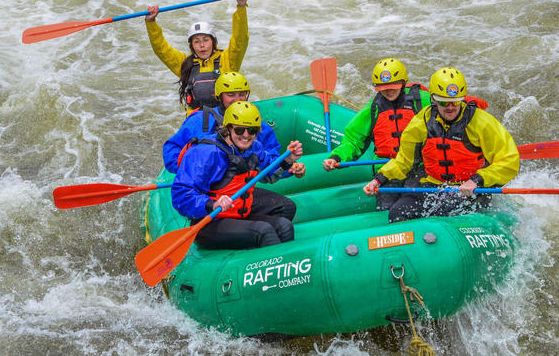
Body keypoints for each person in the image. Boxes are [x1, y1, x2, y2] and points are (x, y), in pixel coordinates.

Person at [362, 67, 520, 223]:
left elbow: (509, 161)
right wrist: (378, 179)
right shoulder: (420, 122)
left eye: (455, 101)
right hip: (432, 185)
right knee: (397, 213)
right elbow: (405, 161)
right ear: (434, 100)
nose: (450, 107)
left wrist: (477, 180)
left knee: (443, 212)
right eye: (444, 103)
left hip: (471, 189)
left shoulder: (482, 122)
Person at [172, 102, 304, 250]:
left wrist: (287, 161)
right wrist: (212, 204)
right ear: (227, 129)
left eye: (252, 131)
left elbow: (269, 176)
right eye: (240, 130)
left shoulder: (254, 147)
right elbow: (181, 196)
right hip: (209, 221)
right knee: (263, 231)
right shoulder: (206, 153)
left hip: (238, 213)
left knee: (285, 227)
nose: (246, 136)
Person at [321, 58, 431, 210]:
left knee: (414, 204)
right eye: (384, 87)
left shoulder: (421, 101)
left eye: (394, 86)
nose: (389, 91)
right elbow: (353, 140)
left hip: (419, 168)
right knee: (387, 208)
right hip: (385, 172)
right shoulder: (372, 110)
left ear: (403, 83)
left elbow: (448, 112)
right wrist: (335, 157)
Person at [145, 0, 249, 110]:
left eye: (205, 40)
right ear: (192, 46)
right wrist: (151, 22)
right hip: (196, 120)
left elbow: (240, 38)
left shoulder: (228, 59)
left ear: (213, 42)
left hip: (226, 118)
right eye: (196, 41)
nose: (202, 45)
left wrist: (241, 7)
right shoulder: (185, 64)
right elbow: (161, 49)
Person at [162, 71, 282, 175]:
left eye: (242, 94)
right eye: (231, 95)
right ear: (219, 96)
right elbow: (172, 149)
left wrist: (289, 166)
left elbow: (272, 160)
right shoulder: (200, 120)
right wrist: (192, 172)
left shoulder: (254, 124)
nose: (237, 100)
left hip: (240, 183)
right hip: (207, 184)